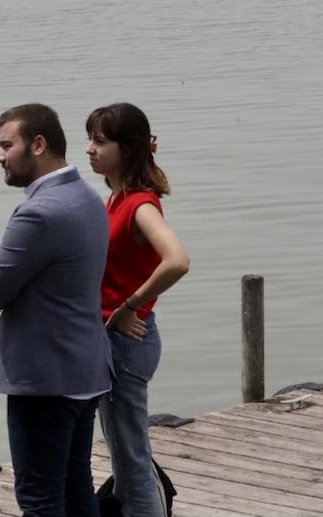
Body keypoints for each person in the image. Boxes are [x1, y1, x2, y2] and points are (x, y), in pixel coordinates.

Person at [0, 104, 111, 517]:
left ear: (38, 144)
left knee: (40, 499)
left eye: (6, 145)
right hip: (85, 369)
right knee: (75, 487)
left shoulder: (38, 213)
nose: (0, 155)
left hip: (47, 379)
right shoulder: (87, 196)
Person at [86, 103, 190, 517]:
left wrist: (132, 306)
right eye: (90, 139)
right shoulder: (116, 198)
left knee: (130, 460)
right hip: (114, 339)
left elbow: (177, 260)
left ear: (127, 149)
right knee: (127, 456)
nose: (90, 149)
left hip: (125, 341)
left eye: (100, 141)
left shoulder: (140, 205)